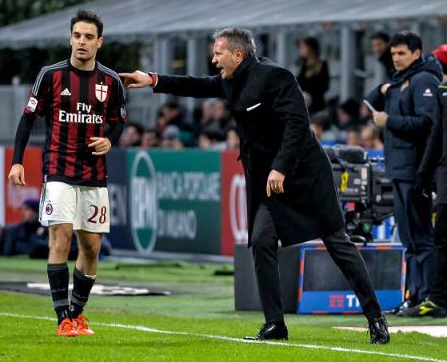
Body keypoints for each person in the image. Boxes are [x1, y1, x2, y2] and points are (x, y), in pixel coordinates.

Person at [120, 27, 389, 344]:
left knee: (338, 244)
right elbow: (198, 85)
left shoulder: (276, 77)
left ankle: (376, 318)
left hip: (305, 176)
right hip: (268, 181)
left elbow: (297, 126)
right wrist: (153, 79)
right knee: (261, 241)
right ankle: (275, 325)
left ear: (238, 54)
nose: (214, 58)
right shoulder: (230, 80)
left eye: (218, 52)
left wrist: (281, 168)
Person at [8, 9, 127, 337]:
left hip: (94, 175)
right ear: (70, 38)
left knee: (91, 247)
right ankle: (62, 318)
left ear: (99, 42)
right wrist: (18, 161)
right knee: (59, 237)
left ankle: (76, 314)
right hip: (58, 170)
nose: (82, 42)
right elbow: (28, 119)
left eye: (89, 37)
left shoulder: (111, 81)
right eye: (77, 36)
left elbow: (118, 121)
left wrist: (109, 141)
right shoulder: (50, 75)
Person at [367, 31, 442, 311]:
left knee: (420, 237)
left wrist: (390, 120)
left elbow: (427, 122)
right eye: (393, 54)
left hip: (414, 169)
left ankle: (425, 297)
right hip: (400, 168)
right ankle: (413, 295)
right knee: (410, 239)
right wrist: (387, 88)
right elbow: (369, 99)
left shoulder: (424, 80)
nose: (396, 59)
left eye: (401, 54)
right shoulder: (401, 80)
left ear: (416, 52)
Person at [402, 44, 447, 317]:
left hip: (445, 182)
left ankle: (439, 299)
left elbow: (435, 137)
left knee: (441, 239)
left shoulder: (442, 96)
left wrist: (422, 172)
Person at [296, 37, 330, 114]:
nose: (301, 50)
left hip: (316, 106)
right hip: (305, 105)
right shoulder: (304, 64)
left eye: (303, 47)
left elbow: (324, 86)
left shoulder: (321, 64)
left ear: (310, 48)